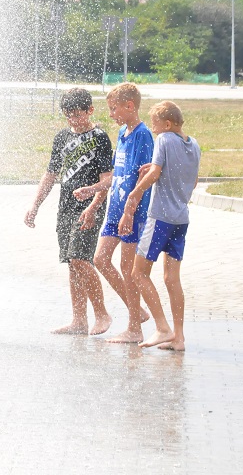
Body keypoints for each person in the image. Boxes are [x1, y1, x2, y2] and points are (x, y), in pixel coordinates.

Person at [25, 88, 113, 335]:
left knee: (80, 259)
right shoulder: (61, 138)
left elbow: (107, 178)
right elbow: (51, 175)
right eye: (68, 116)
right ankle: (79, 321)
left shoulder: (100, 137)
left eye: (77, 114)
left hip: (89, 207)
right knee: (71, 264)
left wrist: (94, 206)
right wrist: (35, 205)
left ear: (90, 110)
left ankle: (102, 314)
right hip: (66, 207)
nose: (73, 120)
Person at [73, 83, 153, 343]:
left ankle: (134, 328)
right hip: (115, 209)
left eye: (114, 109)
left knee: (127, 267)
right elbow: (118, 175)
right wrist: (93, 192)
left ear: (130, 106)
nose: (111, 115)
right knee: (101, 260)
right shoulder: (123, 132)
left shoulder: (143, 135)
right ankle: (136, 312)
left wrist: (129, 211)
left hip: (132, 212)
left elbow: (141, 180)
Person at [120, 100, 201, 352]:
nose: (153, 129)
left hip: (160, 218)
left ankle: (161, 327)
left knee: (138, 273)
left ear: (167, 124)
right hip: (181, 218)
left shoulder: (164, 139)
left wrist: (134, 195)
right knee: (171, 279)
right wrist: (160, 170)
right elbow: (193, 180)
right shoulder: (194, 144)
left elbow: (155, 174)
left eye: (155, 124)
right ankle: (178, 338)